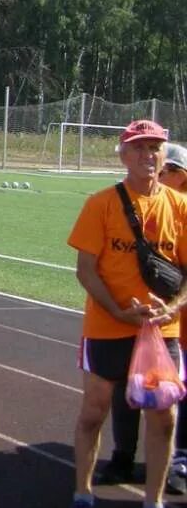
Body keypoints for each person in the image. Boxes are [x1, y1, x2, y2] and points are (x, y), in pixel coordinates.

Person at [69, 120, 187, 508]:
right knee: (94, 410)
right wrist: (120, 311)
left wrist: (169, 307)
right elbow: (86, 269)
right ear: (123, 155)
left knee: (164, 415)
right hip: (107, 327)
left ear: (163, 155)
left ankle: (152, 500)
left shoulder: (180, 206)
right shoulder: (99, 203)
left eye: (154, 148)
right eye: (138, 148)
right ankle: (83, 491)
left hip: (160, 330)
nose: (147, 155)